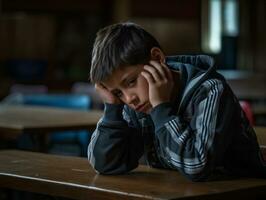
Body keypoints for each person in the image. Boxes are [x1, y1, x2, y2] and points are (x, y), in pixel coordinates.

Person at [87, 22, 266, 181]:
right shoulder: (136, 103)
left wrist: (160, 109)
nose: (129, 98)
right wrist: (112, 109)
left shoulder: (210, 91)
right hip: (177, 191)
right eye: (118, 92)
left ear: (157, 58)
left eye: (131, 81)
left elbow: (197, 165)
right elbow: (103, 165)